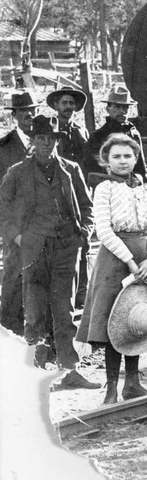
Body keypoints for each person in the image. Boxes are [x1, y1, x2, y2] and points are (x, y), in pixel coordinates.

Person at [0, 114, 99, 389]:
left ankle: (70, 370)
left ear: (57, 141)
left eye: (51, 139)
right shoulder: (17, 172)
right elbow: (3, 210)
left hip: (66, 248)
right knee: (34, 313)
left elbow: (87, 207)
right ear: (33, 141)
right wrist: (17, 238)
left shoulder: (71, 170)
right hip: (32, 250)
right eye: (41, 139)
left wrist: (83, 235)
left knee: (64, 310)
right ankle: (36, 373)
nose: (46, 144)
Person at [75, 133, 147, 404]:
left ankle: (132, 383)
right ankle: (111, 387)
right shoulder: (104, 188)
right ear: (106, 162)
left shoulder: (139, 188)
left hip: (143, 260)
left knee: (136, 320)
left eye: (127, 156)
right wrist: (132, 263)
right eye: (116, 157)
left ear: (135, 159)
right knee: (115, 323)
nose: (123, 161)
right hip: (115, 261)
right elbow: (104, 231)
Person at [46, 85, 91, 309]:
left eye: (71, 103)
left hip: (77, 192)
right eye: (64, 103)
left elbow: (85, 164)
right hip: (56, 192)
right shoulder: (51, 130)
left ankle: (81, 292)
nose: (68, 107)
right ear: (56, 106)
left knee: (83, 239)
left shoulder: (81, 132)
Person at [0, 91, 37, 335]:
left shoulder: (46, 141)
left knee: (38, 282)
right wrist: (10, 231)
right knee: (13, 279)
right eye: (24, 112)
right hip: (14, 227)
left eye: (32, 111)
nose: (29, 116)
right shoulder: (3, 147)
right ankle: (8, 334)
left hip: (40, 225)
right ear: (14, 116)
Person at [84, 85, 147, 186]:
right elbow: (91, 170)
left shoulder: (133, 134)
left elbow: (141, 166)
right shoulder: (98, 136)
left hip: (132, 187)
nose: (122, 111)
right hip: (108, 188)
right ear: (108, 109)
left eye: (125, 107)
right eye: (117, 107)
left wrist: (143, 182)